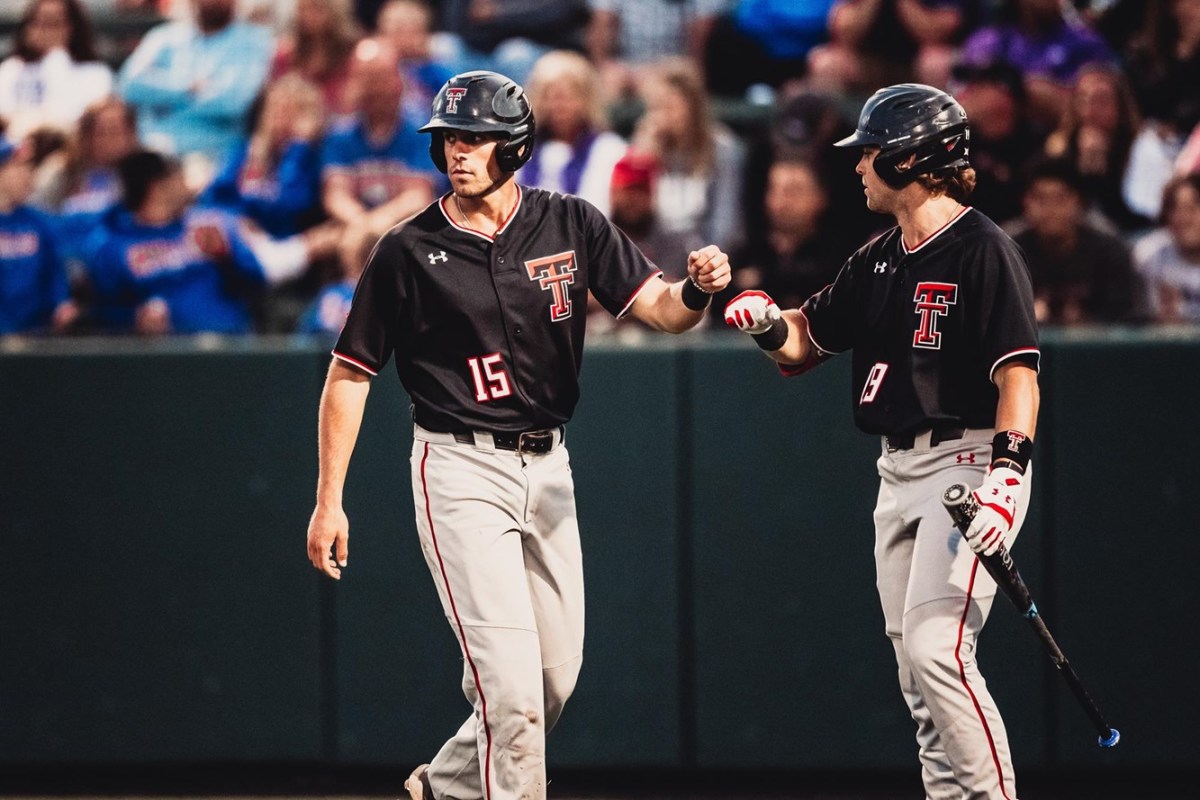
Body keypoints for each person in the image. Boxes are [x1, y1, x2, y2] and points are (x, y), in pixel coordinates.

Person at [303, 70, 731, 800]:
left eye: (473, 137)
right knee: (512, 699)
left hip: (549, 468)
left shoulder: (569, 220)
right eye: (447, 139)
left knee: (553, 683)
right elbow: (349, 373)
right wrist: (328, 499)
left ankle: (442, 787)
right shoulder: (407, 249)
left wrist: (696, 290)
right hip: (460, 470)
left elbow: (661, 309)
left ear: (515, 145)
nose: (457, 152)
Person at [723, 84, 1040, 800]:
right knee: (916, 673)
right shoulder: (877, 256)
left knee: (938, 653)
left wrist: (1009, 474)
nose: (859, 165)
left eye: (870, 151)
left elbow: (1018, 375)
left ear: (913, 157)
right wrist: (770, 326)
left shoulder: (984, 250)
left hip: (968, 464)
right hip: (897, 470)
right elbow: (806, 344)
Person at [84, 148, 279, 334]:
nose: (185, 184)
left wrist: (226, 257)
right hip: (165, 357)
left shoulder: (209, 225)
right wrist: (134, 318)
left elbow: (258, 280)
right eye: (177, 175)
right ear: (157, 186)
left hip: (228, 345)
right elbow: (102, 313)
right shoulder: (113, 248)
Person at [117, 0, 274, 165]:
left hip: (214, 158)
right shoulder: (163, 37)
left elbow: (233, 102)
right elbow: (129, 85)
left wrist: (162, 101)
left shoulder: (254, 41)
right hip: (153, 155)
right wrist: (186, 89)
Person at [1010, 157, 1136, 325]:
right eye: (1041, 199)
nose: (1050, 209)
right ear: (1025, 202)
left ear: (1078, 202)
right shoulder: (1007, 250)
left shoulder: (1109, 250)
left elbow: (1125, 318)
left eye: (1060, 199)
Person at [518, 50, 627, 217]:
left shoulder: (609, 149)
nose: (559, 106)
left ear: (586, 98)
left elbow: (599, 210)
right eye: (550, 96)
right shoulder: (520, 146)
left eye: (567, 97)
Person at [0, 0, 114, 140]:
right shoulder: (10, 69)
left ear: (73, 28)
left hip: (70, 148)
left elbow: (76, 118)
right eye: (38, 23)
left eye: (53, 24)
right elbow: (4, 116)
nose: (44, 31)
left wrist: (56, 58)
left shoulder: (96, 73)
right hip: (17, 148)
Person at [0, 136, 77, 334]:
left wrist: (61, 304)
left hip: (36, 337)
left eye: (31, 168)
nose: (29, 175)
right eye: (19, 167)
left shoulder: (41, 223)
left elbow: (54, 272)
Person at [269, 0, 361, 116]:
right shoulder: (286, 56)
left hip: (339, 124)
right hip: (296, 127)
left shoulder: (354, 55)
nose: (308, 15)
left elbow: (352, 102)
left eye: (315, 7)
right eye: (302, 9)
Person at [1133, 172, 1200, 323]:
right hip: (1163, 344)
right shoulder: (1147, 256)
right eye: (1175, 210)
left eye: (1192, 209)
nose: (1183, 219)